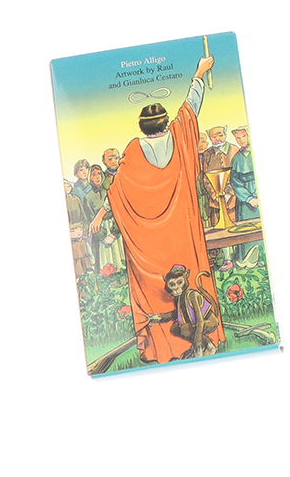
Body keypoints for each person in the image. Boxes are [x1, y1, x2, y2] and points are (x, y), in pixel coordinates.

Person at [88, 54, 223, 364]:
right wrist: (199, 72)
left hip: (149, 244)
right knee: (187, 281)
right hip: (181, 234)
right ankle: (200, 342)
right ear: (164, 122)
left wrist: (100, 213)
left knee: (159, 291)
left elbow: (116, 191)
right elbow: (191, 107)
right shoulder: (180, 135)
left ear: (143, 126)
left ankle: (164, 348)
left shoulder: (134, 150)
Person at [229, 128, 261, 266]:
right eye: (238, 138)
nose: (241, 140)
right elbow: (235, 181)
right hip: (245, 202)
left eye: (243, 136)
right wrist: (249, 198)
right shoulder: (237, 158)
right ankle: (247, 260)